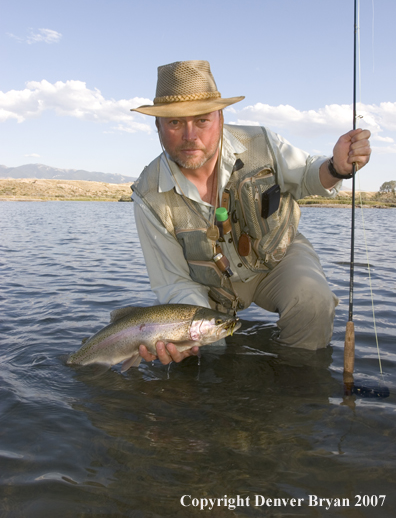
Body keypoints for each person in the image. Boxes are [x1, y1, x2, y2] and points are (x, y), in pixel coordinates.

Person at [130, 60, 371, 365]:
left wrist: (336, 168)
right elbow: (173, 281)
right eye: (175, 123)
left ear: (220, 117)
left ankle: (299, 386)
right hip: (205, 286)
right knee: (201, 351)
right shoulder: (147, 193)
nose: (190, 135)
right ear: (158, 126)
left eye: (202, 120)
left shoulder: (261, 143)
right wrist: (191, 334)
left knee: (312, 301)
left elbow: (309, 175)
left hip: (277, 259)